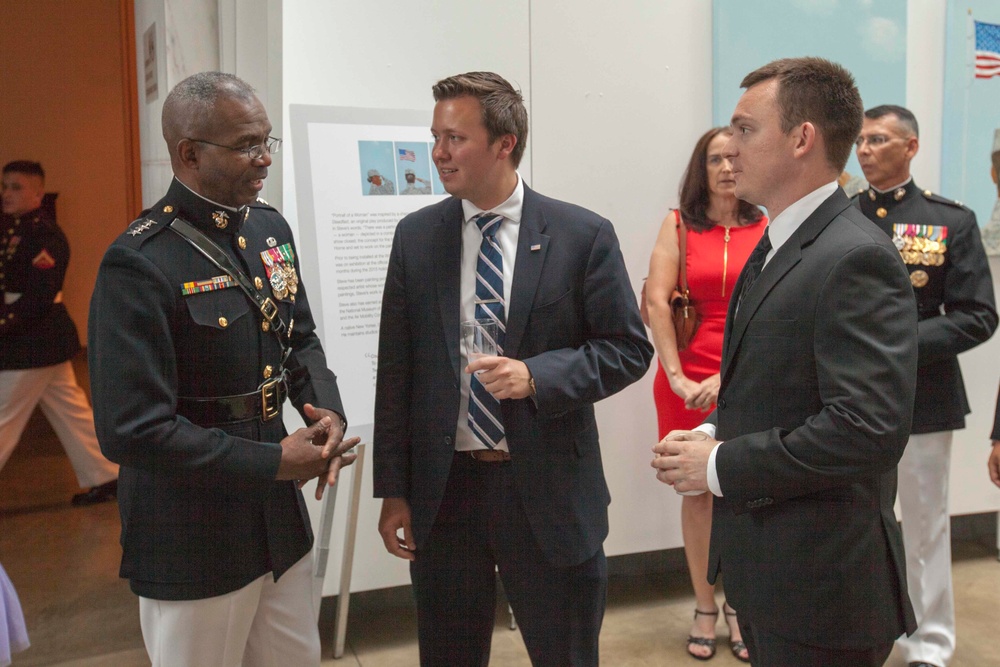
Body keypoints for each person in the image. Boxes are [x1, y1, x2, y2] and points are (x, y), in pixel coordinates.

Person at [373, 71, 652, 666]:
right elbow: (396, 373)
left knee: (565, 654)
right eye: (435, 137)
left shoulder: (581, 234)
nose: (439, 153)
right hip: (445, 494)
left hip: (546, 492)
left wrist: (538, 377)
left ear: (504, 143)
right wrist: (393, 490)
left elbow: (628, 349)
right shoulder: (416, 238)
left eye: (455, 138)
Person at [650, 57, 919, 666]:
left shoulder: (854, 257)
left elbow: (867, 430)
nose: (729, 148)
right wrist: (716, 428)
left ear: (802, 139)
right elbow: (784, 384)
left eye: (745, 130)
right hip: (779, 576)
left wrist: (720, 464)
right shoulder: (782, 239)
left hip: (824, 590)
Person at [88, 72, 358, 667]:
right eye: (245, 145)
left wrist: (327, 411)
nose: (264, 158)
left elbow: (299, 338)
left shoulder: (267, 227)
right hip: (193, 538)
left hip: (277, 528)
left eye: (268, 141)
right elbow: (130, 429)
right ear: (189, 153)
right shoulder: (138, 262)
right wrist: (275, 462)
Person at [853, 104, 997, 667]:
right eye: (860, 140)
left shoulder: (948, 221)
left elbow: (977, 316)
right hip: (847, 397)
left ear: (910, 147)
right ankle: (869, 631)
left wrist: (899, 344)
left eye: (879, 139)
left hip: (923, 398)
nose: (864, 149)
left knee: (924, 525)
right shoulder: (842, 215)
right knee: (858, 522)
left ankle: (929, 643)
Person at [645, 127, 766, 662]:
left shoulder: (769, 226)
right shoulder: (677, 224)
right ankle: (703, 604)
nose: (725, 167)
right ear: (702, 167)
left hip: (749, 374)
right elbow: (654, 301)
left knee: (740, 489)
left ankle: (740, 605)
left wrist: (730, 379)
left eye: (733, 157)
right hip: (684, 377)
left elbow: (775, 311)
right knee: (697, 493)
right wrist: (676, 378)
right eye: (715, 158)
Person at [0, 160, 118, 506]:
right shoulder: (10, 229)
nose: (7, 193)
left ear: (38, 193)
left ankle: (107, 473)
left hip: (34, 340)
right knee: (70, 409)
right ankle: (106, 472)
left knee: (3, 414)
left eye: (16, 187)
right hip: (37, 343)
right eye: (5, 186)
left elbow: (40, 294)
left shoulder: (46, 235)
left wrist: (6, 322)